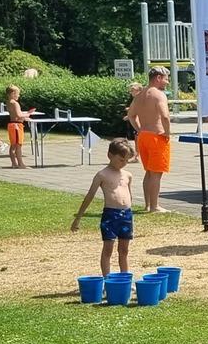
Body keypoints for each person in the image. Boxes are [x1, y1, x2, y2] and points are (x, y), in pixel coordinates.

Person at [70, 138, 136, 274]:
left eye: (126, 161)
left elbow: (129, 195)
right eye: (121, 160)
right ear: (110, 155)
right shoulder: (102, 175)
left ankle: (125, 278)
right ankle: (107, 279)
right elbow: (90, 196)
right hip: (110, 215)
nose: (124, 163)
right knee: (108, 248)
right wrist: (78, 217)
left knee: (124, 249)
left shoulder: (128, 175)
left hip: (126, 215)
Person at [126, 66, 172, 213]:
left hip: (143, 136)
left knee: (149, 172)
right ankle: (155, 206)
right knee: (156, 173)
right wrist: (167, 133)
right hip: (157, 137)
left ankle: (147, 205)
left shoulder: (139, 95)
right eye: (166, 78)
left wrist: (139, 129)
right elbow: (165, 116)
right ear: (158, 78)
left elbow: (131, 115)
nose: (167, 82)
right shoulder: (158, 95)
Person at [4, 85, 28, 169]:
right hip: (17, 126)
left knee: (13, 145)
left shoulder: (8, 102)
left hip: (11, 124)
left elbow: (15, 114)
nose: (19, 95)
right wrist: (28, 114)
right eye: (18, 94)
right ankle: (21, 164)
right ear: (13, 93)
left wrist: (24, 116)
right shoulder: (15, 103)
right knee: (18, 145)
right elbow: (19, 114)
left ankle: (14, 163)